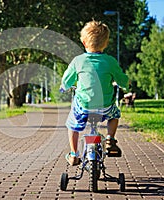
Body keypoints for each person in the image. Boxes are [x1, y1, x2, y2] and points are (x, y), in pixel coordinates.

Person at [60, 20, 129, 166]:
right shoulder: (110, 61)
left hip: (83, 107)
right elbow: (122, 80)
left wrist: (64, 87)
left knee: (72, 124)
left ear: (84, 42)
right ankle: (110, 138)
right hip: (105, 107)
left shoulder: (78, 61)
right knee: (115, 115)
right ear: (106, 43)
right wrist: (126, 84)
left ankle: (73, 154)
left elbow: (66, 81)